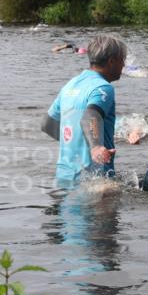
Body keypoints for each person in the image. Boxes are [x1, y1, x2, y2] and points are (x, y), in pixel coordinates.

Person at [41, 34, 127, 185]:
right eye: (122, 60)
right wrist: (95, 147)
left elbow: (47, 124)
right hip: (93, 178)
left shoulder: (70, 85)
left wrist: (77, 143)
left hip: (64, 175)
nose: (124, 65)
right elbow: (91, 115)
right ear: (112, 61)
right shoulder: (103, 87)